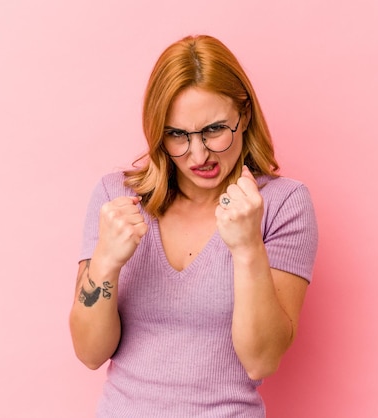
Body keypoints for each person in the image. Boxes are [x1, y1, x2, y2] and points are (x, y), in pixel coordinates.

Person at [69, 34, 318, 417]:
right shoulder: (114, 197)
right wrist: (105, 262)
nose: (199, 154)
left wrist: (247, 247)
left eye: (215, 129)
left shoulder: (283, 203)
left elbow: (262, 360)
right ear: (157, 132)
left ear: (244, 115)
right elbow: (89, 353)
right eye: (177, 135)